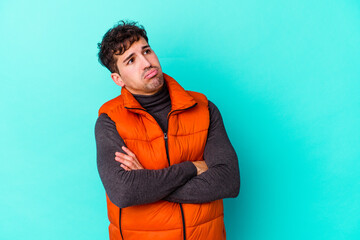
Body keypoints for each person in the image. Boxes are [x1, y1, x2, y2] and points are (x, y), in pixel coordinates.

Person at [95, 20, 240, 240]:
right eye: (131, 60)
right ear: (118, 79)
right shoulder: (109, 120)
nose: (146, 63)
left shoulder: (204, 108)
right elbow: (124, 192)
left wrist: (147, 183)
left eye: (147, 51)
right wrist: (191, 168)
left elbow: (228, 181)